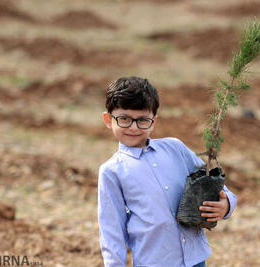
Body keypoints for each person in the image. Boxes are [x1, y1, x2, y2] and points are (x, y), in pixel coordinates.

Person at [98, 76, 237, 267]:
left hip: (196, 260)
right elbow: (112, 231)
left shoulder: (175, 148)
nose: (133, 127)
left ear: (153, 121)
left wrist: (226, 204)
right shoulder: (112, 171)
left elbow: (216, 185)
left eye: (142, 120)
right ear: (108, 119)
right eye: (124, 119)